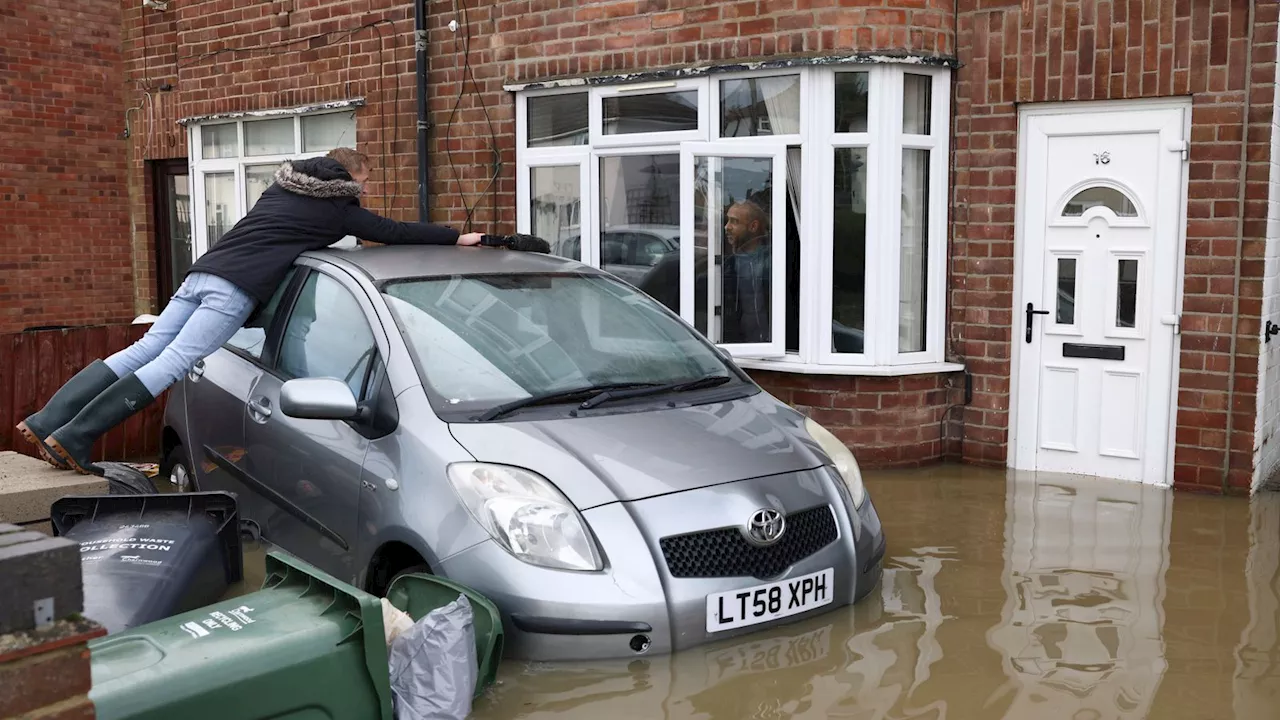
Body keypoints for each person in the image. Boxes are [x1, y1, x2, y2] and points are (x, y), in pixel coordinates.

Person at [16, 147, 489, 476]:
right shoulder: (336, 210)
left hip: (201, 273)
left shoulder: (280, 191)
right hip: (233, 289)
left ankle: (49, 421)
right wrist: (457, 237)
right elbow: (392, 230)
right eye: (361, 184)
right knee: (175, 360)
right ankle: (77, 436)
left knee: (147, 348)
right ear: (347, 179)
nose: (361, 194)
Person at [721, 198, 772, 344]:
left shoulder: (776, 262)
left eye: (734, 221)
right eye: (727, 220)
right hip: (740, 347)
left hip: (778, 348)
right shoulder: (726, 265)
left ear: (753, 226)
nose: (727, 227)